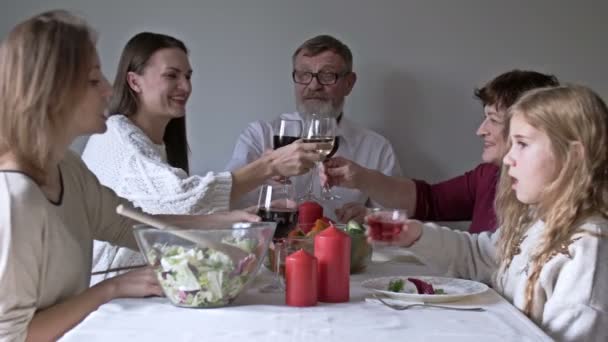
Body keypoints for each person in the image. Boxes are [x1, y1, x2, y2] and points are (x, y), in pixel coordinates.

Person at [0, 11, 259, 340]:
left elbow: (130, 225)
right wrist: (111, 288)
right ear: (52, 92)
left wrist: (225, 222)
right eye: (94, 80)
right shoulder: (14, 197)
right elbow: (12, 336)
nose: (109, 89)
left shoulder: (67, 167)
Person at [81, 32, 324, 282]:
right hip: (109, 298)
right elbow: (182, 200)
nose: (185, 87)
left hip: (147, 290)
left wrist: (234, 219)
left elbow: (167, 217)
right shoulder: (117, 134)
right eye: (171, 75)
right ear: (134, 81)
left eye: (187, 76)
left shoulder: (155, 144)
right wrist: (269, 166)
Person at [385, 85, 608, 341]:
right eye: (511, 144)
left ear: (573, 156)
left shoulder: (589, 249)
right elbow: (480, 256)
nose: (508, 158)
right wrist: (416, 235)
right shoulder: (535, 221)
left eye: (522, 144)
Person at [322, 70, 559, 232]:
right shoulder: (488, 175)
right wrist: (362, 178)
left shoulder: (557, 201)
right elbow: (430, 200)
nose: (480, 130)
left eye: (493, 120)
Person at [225, 34, 402, 220]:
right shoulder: (260, 136)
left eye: (327, 75)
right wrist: (261, 172)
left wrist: (370, 217)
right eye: (304, 75)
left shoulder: (377, 148)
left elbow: (396, 218)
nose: (314, 85)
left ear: (349, 83)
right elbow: (223, 206)